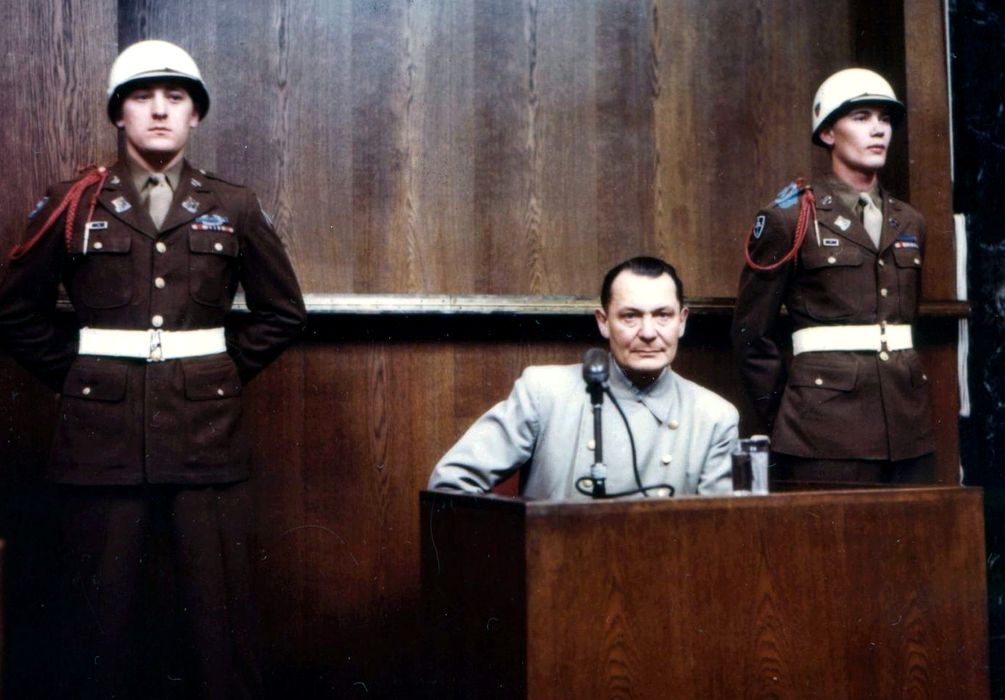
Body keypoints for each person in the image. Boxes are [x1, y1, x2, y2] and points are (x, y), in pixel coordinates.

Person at [0, 40, 306, 698]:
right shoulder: (73, 202)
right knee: (94, 630)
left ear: (196, 115)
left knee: (221, 631)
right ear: (119, 114)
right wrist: (84, 381)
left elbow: (284, 313)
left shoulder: (235, 205)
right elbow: (15, 314)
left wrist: (216, 377)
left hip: (207, 440)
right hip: (100, 443)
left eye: (176, 98)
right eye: (142, 97)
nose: (160, 111)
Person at [732, 68, 935, 487]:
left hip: (907, 425)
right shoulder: (791, 217)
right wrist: (790, 417)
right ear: (827, 133)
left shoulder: (909, 220)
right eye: (861, 117)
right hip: (822, 431)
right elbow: (751, 336)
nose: (878, 130)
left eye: (885, 119)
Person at [428, 256, 738, 499]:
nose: (647, 332)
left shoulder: (713, 417)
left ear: (682, 322)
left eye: (662, 315)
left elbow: (719, 529)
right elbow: (450, 483)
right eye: (630, 316)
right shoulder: (545, 393)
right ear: (603, 322)